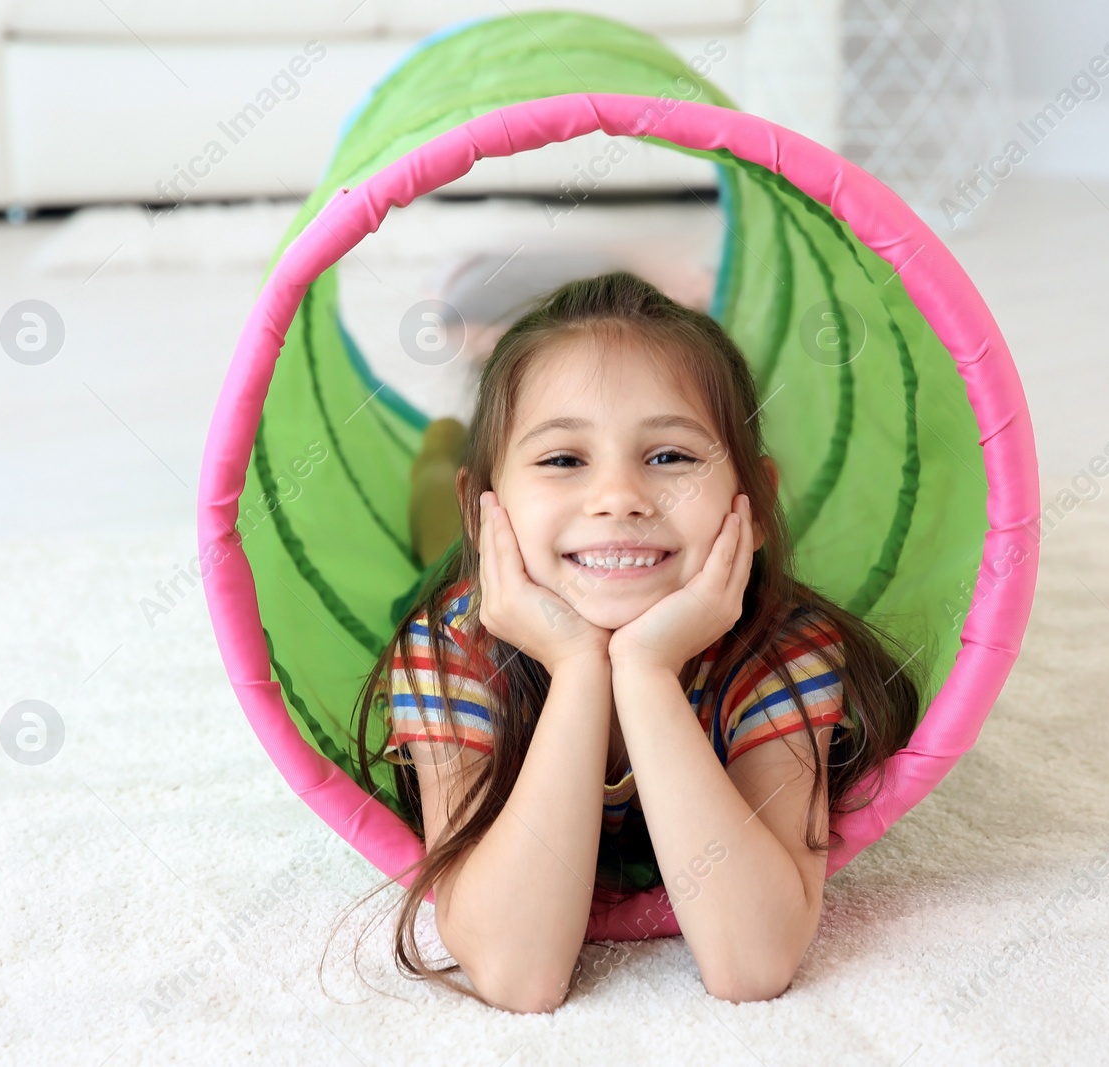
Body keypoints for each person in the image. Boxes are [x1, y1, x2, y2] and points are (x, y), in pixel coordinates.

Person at [348, 271, 921, 1013]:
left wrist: (644, 671)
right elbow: (516, 973)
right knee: (426, 517)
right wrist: (577, 665)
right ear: (482, 504)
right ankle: (439, 457)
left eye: (670, 457)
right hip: (481, 573)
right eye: (563, 459)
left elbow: (753, 961)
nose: (619, 496)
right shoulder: (447, 648)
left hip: (582, 560)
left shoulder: (781, 650)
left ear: (756, 501)